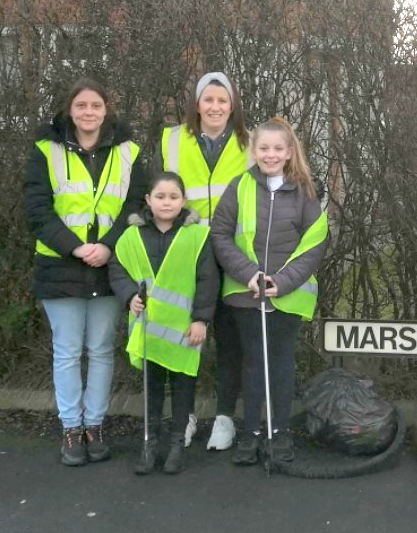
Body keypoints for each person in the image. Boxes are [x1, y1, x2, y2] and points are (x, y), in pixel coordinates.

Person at [24, 78, 148, 466]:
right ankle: (71, 430)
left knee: (100, 350)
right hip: (61, 266)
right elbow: (38, 211)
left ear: (106, 109)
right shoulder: (46, 150)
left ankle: (94, 426)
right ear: (70, 110)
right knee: (66, 351)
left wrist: (108, 245)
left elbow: (136, 205)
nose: (89, 112)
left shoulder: (129, 151)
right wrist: (77, 247)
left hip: (109, 266)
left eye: (96, 105)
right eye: (81, 106)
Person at [211, 117, 328, 465]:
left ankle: (279, 433)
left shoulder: (306, 191)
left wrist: (284, 281)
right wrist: (249, 275)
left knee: (280, 364)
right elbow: (220, 234)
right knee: (251, 364)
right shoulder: (239, 186)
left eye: (278, 148)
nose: (271, 154)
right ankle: (251, 433)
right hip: (246, 293)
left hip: (288, 294)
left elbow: (315, 243)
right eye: (264, 148)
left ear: (290, 152)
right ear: (254, 151)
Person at [157, 72, 250, 450]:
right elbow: (162, 190)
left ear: (232, 106)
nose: (215, 107)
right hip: (188, 252)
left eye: (222, 101)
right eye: (208, 100)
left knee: (229, 341)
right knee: (187, 338)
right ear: (197, 104)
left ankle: (225, 417)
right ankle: (186, 416)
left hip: (234, 253)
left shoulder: (250, 140)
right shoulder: (173, 139)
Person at [109, 172, 219, 474]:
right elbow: (117, 269)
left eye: (173, 196)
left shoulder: (198, 236)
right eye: (160, 196)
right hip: (149, 330)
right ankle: (149, 444)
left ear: (183, 200)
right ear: (148, 200)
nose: (167, 202)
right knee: (153, 389)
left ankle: (175, 446)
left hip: (186, 330)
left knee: (183, 389)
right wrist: (129, 295)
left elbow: (208, 281)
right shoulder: (132, 236)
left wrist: (201, 320)